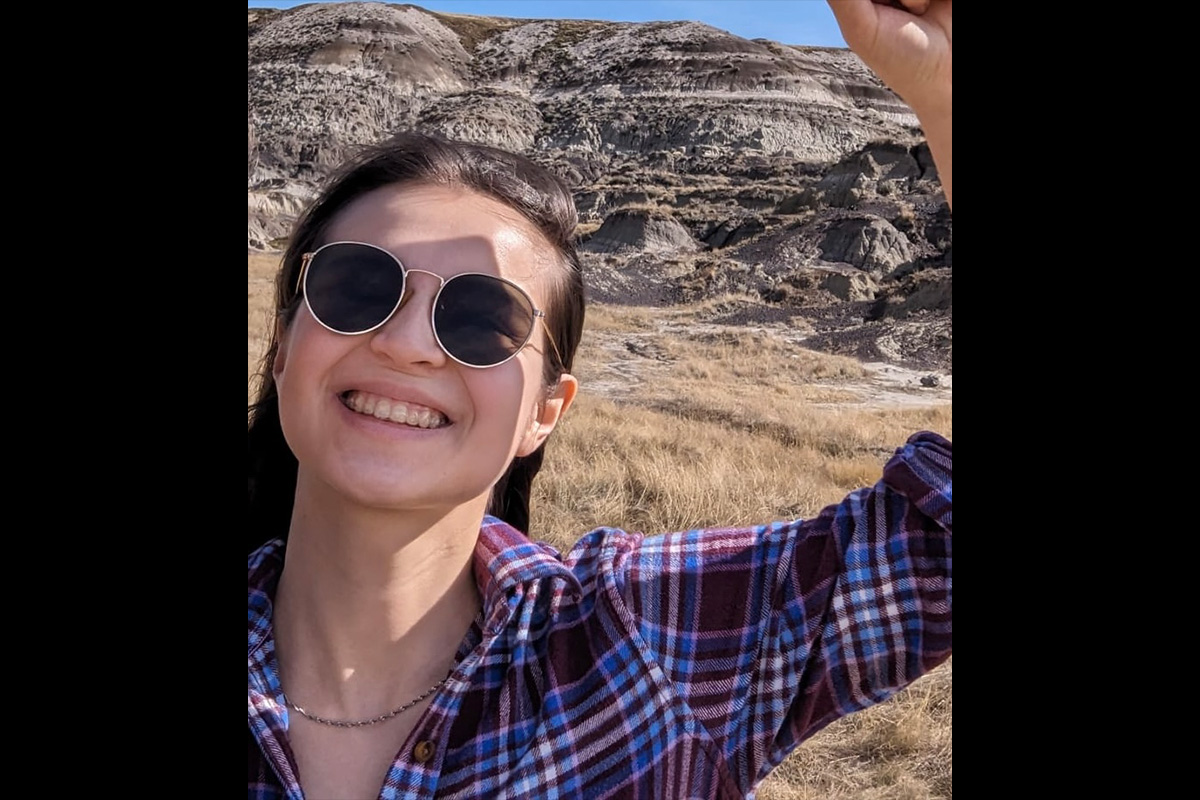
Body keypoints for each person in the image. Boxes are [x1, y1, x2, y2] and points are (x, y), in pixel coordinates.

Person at [247, 1, 951, 797]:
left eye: (482, 319)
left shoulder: (652, 643)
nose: (406, 344)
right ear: (283, 348)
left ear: (547, 412)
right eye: (356, 288)